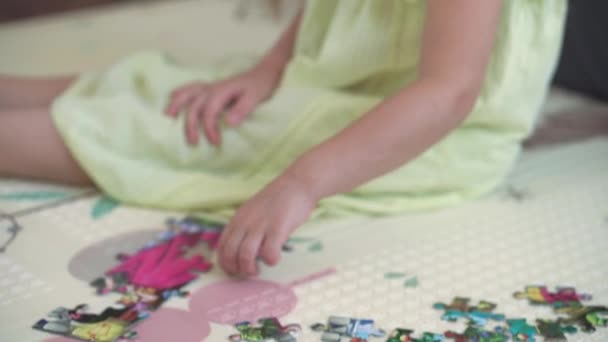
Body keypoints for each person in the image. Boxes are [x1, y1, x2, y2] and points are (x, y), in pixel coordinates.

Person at [0, 1, 566, 276]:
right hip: (338, 72)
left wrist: (301, 182)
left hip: (430, 128)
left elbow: (448, 94)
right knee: (177, 84)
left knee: (188, 130)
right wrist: (267, 68)